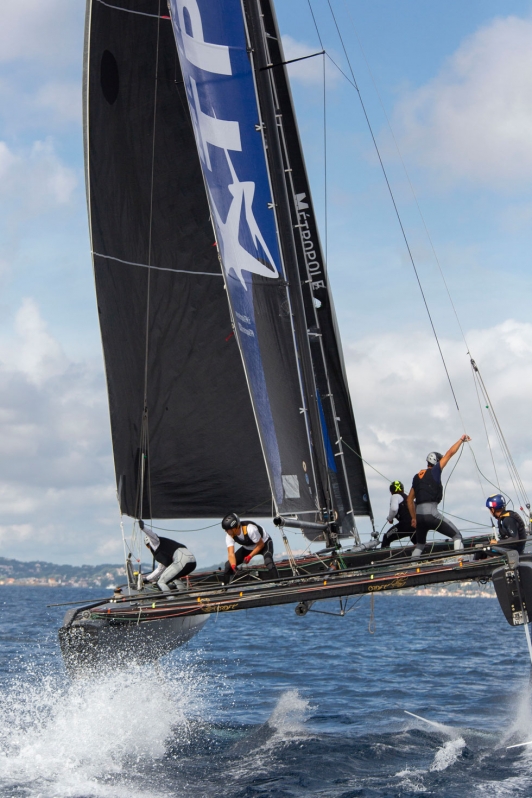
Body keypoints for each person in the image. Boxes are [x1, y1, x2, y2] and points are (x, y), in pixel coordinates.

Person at [406, 435, 471, 558]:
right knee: (457, 536)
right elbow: (450, 453)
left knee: (420, 545)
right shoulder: (435, 471)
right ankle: (460, 563)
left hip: (419, 517)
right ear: (436, 462)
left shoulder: (417, 477)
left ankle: (412, 568)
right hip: (431, 514)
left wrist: (414, 518)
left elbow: (409, 500)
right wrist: (461, 440)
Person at [222, 513, 279, 585]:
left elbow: (260, 545)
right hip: (248, 547)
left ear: (234, 528)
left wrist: (250, 556)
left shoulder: (250, 529)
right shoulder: (229, 536)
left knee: (268, 561)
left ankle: (278, 583)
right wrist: (233, 566)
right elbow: (231, 554)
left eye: (227, 529)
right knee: (228, 565)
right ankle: (224, 588)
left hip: (264, 543)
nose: (225, 531)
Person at [139, 519, 196, 592]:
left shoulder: (155, 543)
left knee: (161, 582)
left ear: (148, 545)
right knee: (173, 577)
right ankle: (184, 595)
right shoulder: (164, 552)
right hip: (192, 561)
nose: (149, 548)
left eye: (147, 546)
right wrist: (146, 579)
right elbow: (159, 570)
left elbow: (152, 535)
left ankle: (170, 599)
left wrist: (143, 528)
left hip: (181, 559)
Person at [381, 480, 416, 549]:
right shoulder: (407, 498)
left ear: (391, 491)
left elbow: (394, 509)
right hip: (415, 524)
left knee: (386, 537)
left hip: (406, 524)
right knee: (416, 542)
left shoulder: (395, 496)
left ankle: (384, 558)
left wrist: (390, 519)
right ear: (402, 489)